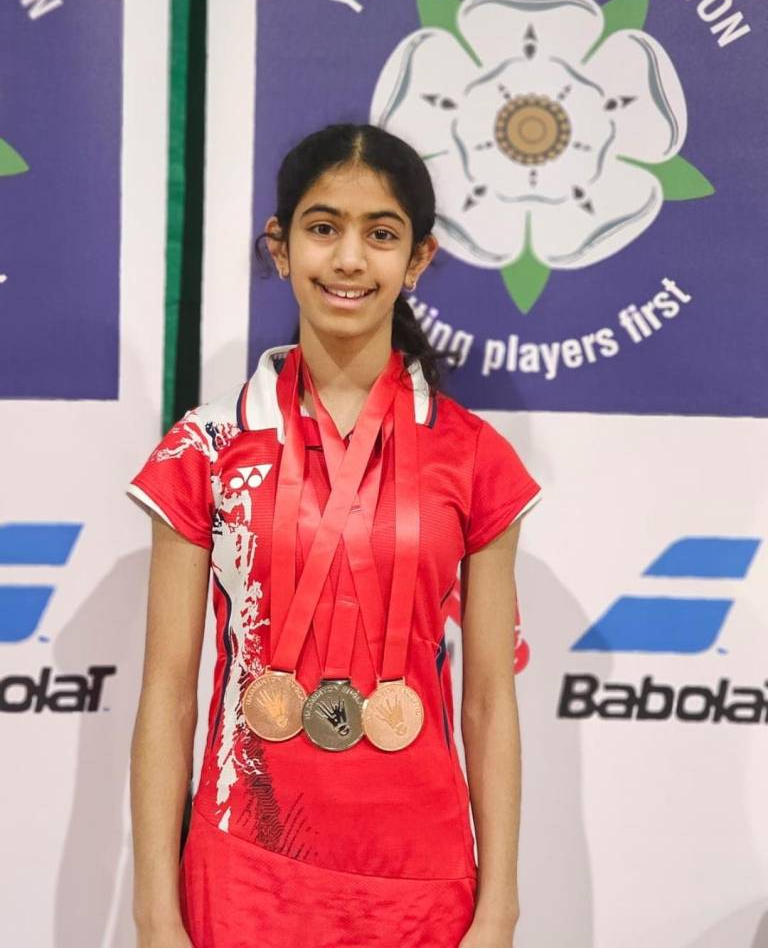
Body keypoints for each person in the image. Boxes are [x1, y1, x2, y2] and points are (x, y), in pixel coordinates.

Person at [127, 123, 542, 948]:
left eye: (381, 234)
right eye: (323, 228)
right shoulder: (206, 447)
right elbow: (168, 694)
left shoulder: (473, 456)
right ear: (280, 248)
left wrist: (499, 907)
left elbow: (491, 702)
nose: (349, 259)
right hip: (244, 870)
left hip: (422, 883)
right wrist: (154, 912)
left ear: (417, 259)